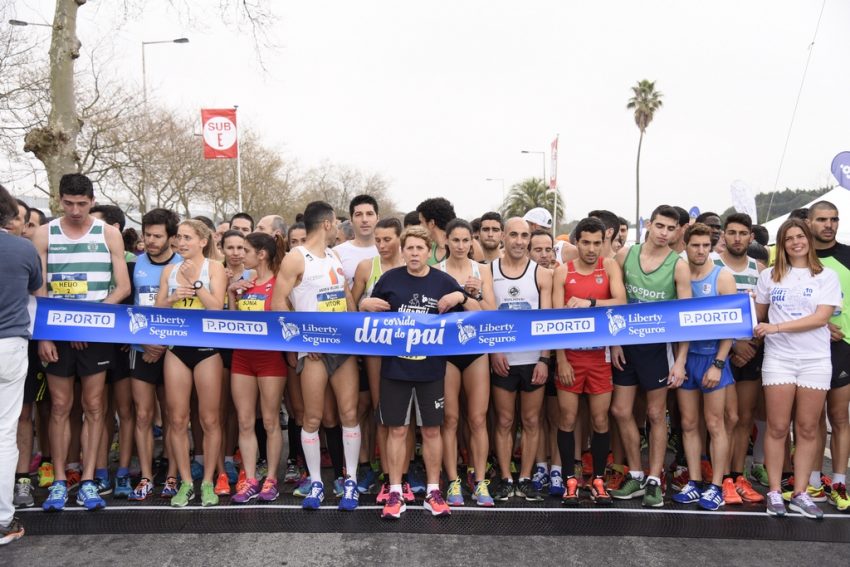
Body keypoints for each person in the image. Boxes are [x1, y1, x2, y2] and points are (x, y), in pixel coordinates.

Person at [34, 173, 131, 512]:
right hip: (57, 334)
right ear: (59, 200)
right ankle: (60, 481)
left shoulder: (108, 233)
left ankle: (89, 480)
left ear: (92, 201)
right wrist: (45, 334)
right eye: (68, 203)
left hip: (95, 333)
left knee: (94, 407)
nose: (75, 210)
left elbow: (122, 288)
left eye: (82, 203)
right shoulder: (44, 233)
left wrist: (88, 323)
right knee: (60, 407)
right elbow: (39, 288)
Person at [370, 225, 481, 519]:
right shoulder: (389, 279)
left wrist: (460, 297)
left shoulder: (443, 281)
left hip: (431, 369)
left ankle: (433, 491)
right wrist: (364, 303)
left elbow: (478, 312)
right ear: (403, 250)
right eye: (410, 248)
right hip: (395, 367)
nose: (414, 253)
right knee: (397, 430)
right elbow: (366, 315)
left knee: (432, 430)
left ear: (428, 251)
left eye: (420, 248)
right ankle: (395, 491)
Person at [271, 201, 361, 511]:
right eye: (337, 223)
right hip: (312, 351)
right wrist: (302, 338)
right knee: (312, 417)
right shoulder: (295, 258)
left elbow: (345, 297)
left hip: (341, 346)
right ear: (327, 224)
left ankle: (350, 480)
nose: (339, 228)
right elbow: (278, 304)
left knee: (349, 413)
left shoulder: (334, 255)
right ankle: (317, 482)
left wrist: (356, 332)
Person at [754, 218, 840, 519]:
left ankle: (800, 493)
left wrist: (776, 327)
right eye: (788, 238)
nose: (795, 242)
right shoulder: (768, 276)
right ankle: (775, 492)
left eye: (800, 236)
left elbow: (821, 318)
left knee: (807, 428)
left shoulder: (826, 276)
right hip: (779, 359)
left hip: (815, 360)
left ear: (808, 240)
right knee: (778, 427)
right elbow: (757, 316)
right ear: (781, 244)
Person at [609, 204, 690, 508]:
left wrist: (680, 361)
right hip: (625, 346)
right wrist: (614, 343)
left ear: (677, 231)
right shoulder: (625, 255)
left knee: (656, 414)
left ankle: (654, 479)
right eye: (660, 226)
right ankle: (636, 473)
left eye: (671, 228)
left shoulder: (678, 265)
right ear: (648, 224)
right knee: (620, 410)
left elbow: (684, 317)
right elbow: (614, 303)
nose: (664, 233)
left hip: (657, 348)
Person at [552, 217, 626, 506]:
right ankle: (569, 479)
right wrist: (561, 359)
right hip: (571, 355)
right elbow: (555, 319)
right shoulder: (563, 271)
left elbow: (621, 302)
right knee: (568, 418)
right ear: (577, 242)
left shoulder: (609, 266)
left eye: (597, 243)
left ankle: (597, 479)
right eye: (586, 243)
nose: (592, 249)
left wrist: (590, 303)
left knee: (600, 419)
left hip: (599, 356)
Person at [156, 219, 227, 507]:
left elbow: (217, 307)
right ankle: (185, 482)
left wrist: (196, 284)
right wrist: (173, 297)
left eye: (187, 237)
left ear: (203, 241)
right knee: (177, 419)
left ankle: (208, 482)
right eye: (179, 237)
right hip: (177, 348)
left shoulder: (215, 268)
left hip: (207, 348)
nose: (181, 242)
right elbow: (158, 308)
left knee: (209, 419)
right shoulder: (169, 270)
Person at [671, 223, 736, 511]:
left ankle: (717, 486)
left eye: (705, 246)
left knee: (714, 424)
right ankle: (695, 481)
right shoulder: (680, 273)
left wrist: (719, 363)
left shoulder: (722, 276)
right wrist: (679, 361)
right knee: (688, 423)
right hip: (686, 358)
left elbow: (731, 324)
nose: (700, 251)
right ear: (685, 246)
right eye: (695, 245)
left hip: (712, 358)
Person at [489, 217, 553, 502]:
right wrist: (494, 352)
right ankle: (505, 478)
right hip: (503, 358)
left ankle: (525, 478)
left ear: (530, 238)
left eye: (524, 235)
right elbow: (487, 315)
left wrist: (544, 360)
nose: (518, 241)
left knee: (530, 420)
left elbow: (547, 321)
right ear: (503, 236)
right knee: (504, 421)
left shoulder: (542, 274)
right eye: (513, 234)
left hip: (532, 359)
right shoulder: (489, 270)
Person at [436, 219, 495, 507]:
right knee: (450, 419)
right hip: (447, 350)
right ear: (446, 241)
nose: (460, 246)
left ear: (472, 242)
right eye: (455, 240)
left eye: (465, 240)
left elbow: (491, 313)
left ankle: (480, 480)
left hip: (476, 349)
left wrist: (476, 295)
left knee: (478, 419)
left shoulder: (481, 270)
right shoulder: (436, 271)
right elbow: (434, 313)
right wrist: (460, 298)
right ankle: (453, 480)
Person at [228, 232, 288, 503]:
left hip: (270, 359)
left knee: (270, 420)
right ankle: (250, 479)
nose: (241, 254)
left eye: (246, 250)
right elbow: (232, 324)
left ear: (261, 254)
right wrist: (232, 294)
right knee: (244, 421)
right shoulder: (245, 282)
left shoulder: (279, 283)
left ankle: (271, 478)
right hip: (242, 357)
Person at [127, 208, 182, 501]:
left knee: (174, 417)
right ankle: (146, 477)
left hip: (172, 350)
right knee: (143, 415)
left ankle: (172, 475)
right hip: (141, 348)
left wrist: (161, 344)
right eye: (147, 234)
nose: (150, 240)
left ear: (171, 238)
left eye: (157, 236)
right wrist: (145, 341)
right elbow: (129, 307)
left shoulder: (183, 265)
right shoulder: (135, 264)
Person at [714, 213, 767, 505]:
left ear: (751, 237)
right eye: (732, 232)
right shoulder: (713, 264)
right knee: (725, 418)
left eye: (742, 233)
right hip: (722, 351)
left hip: (751, 351)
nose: (737, 238)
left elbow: (766, 312)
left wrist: (751, 345)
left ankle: (738, 475)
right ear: (724, 235)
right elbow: (707, 312)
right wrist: (734, 345)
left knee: (744, 418)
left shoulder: (760, 269)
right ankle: (721, 478)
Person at [0, 185, 41, 545]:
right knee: (4, 434)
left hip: (12, 344)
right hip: (10, 345)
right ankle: (2, 520)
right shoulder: (23, 248)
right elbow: (34, 286)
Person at [352, 218, 405, 498]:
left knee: (405, 416)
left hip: (408, 348)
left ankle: (404, 473)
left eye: (387, 240)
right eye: (378, 240)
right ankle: (386, 473)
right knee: (381, 411)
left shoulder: (411, 264)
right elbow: (349, 306)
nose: (382, 245)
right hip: (375, 348)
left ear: (400, 239)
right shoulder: (366, 267)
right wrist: (363, 303)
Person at [808, 201, 850, 511]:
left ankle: (839, 482)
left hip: (842, 346)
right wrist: (820, 324)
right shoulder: (797, 256)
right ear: (809, 222)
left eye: (833, 219)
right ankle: (812, 481)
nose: (829, 225)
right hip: (807, 346)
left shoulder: (847, 255)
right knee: (810, 420)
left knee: (839, 416)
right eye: (822, 219)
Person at [334, 195, 379, 285]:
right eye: (358, 214)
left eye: (369, 214)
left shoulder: (390, 250)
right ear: (351, 220)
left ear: (378, 218)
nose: (364, 220)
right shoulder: (337, 253)